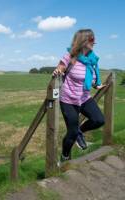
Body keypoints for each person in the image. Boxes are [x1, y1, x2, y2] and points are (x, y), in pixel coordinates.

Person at [52, 29, 106, 164]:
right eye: (92, 40)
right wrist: (57, 71)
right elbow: (60, 69)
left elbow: (88, 78)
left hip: (84, 98)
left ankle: (79, 132)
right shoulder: (70, 57)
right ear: (83, 41)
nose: (95, 42)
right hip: (69, 100)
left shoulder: (92, 59)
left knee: (99, 120)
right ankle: (64, 156)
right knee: (71, 132)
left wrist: (96, 85)